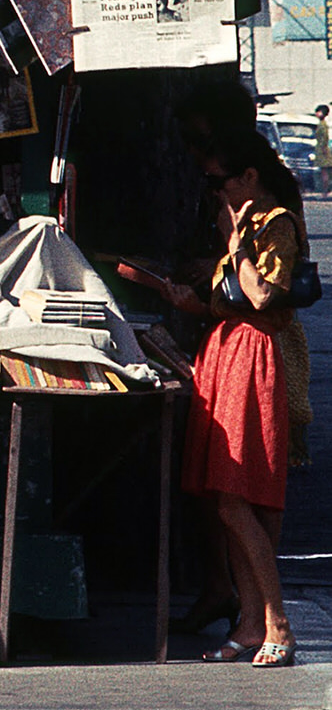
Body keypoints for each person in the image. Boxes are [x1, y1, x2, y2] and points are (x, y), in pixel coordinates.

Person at [160, 130, 299, 667]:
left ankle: (277, 621)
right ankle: (250, 622)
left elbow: (264, 296)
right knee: (223, 498)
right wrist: (187, 301)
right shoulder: (239, 225)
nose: (215, 192)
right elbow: (229, 303)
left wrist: (237, 241)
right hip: (224, 352)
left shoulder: (274, 225)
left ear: (248, 178)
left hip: (251, 356)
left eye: (220, 181)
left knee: (239, 495)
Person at [313, 104, 331, 198]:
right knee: (323, 172)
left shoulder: (322, 125)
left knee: (324, 173)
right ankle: (324, 192)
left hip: (322, 151)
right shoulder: (322, 124)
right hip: (321, 150)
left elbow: (324, 139)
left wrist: (323, 150)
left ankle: (325, 192)